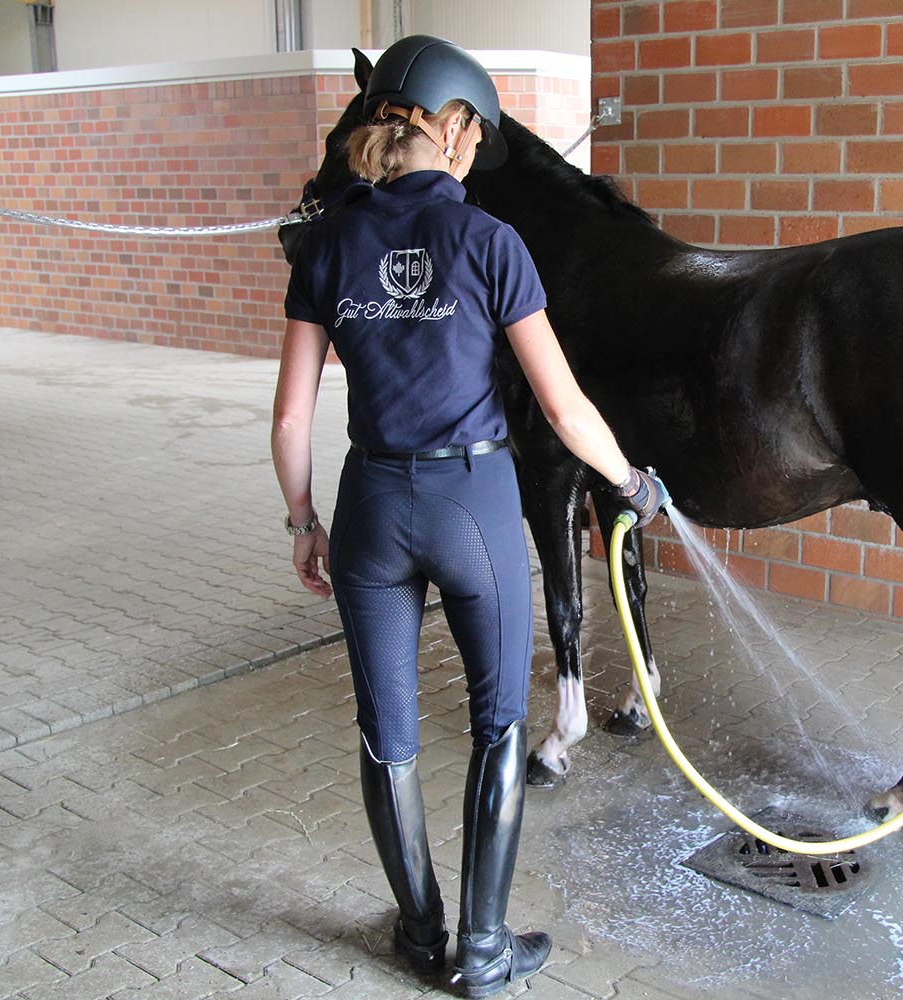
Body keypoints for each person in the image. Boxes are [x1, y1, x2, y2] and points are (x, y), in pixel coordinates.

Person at [271, 34, 664, 999]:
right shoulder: (491, 242)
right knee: (496, 727)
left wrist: (302, 521)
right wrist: (630, 482)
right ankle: (483, 952)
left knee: (386, 731)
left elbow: (287, 413)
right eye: (475, 138)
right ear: (449, 130)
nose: (475, 153)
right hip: (473, 504)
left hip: (370, 506)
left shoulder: (329, 242)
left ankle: (418, 929)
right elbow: (566, 409)